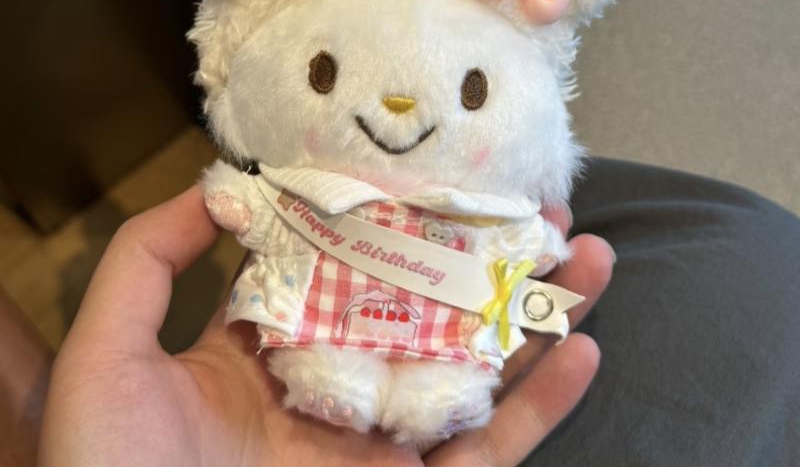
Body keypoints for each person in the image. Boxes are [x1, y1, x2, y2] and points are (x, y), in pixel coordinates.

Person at [32, 159, 800, 465]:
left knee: (762, 258)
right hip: (321, 326)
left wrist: (529, 242)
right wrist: (248, 197)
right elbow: (248, 200)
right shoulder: (314, 183)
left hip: (444, 311)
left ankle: (437, 392)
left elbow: (529, 239)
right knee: (766, 261)